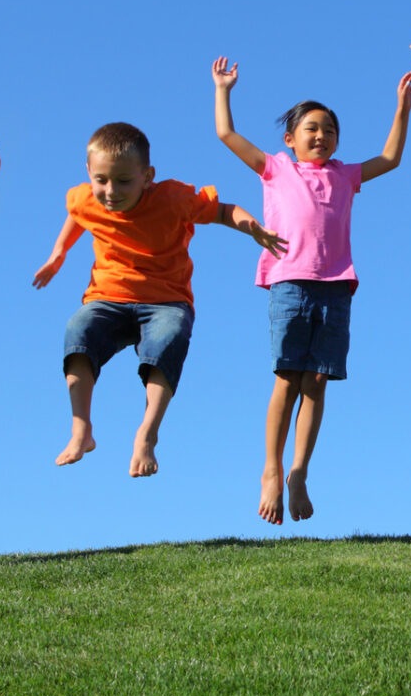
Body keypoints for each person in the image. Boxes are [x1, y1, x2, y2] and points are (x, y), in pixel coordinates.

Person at [212, 57, 411, 524]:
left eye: (329, 129)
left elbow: (390, 159)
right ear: (290, 139)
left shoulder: (344, 175)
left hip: (336, 287)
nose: (321, 135)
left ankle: (299, 472)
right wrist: (223, 91)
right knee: (287, 377)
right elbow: (227, 135)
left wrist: (401, 107)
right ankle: (271, 469)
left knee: (317, 382)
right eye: (311, 128)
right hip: (289, 282)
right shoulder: (277, 169)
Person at [33, 120, 284, 478]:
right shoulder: (83, 197)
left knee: (167, 340)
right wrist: (58, 253)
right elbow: (77, 214)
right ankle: (81, 429)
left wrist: (252, 227)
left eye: (123, 181)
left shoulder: (174, 199)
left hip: (166, 302)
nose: (110, 191)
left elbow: (224, 210)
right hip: (108, 297)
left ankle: (147, 434)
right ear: (89, 171)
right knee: (78, 330)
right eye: (101, 180)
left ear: (147, 176)